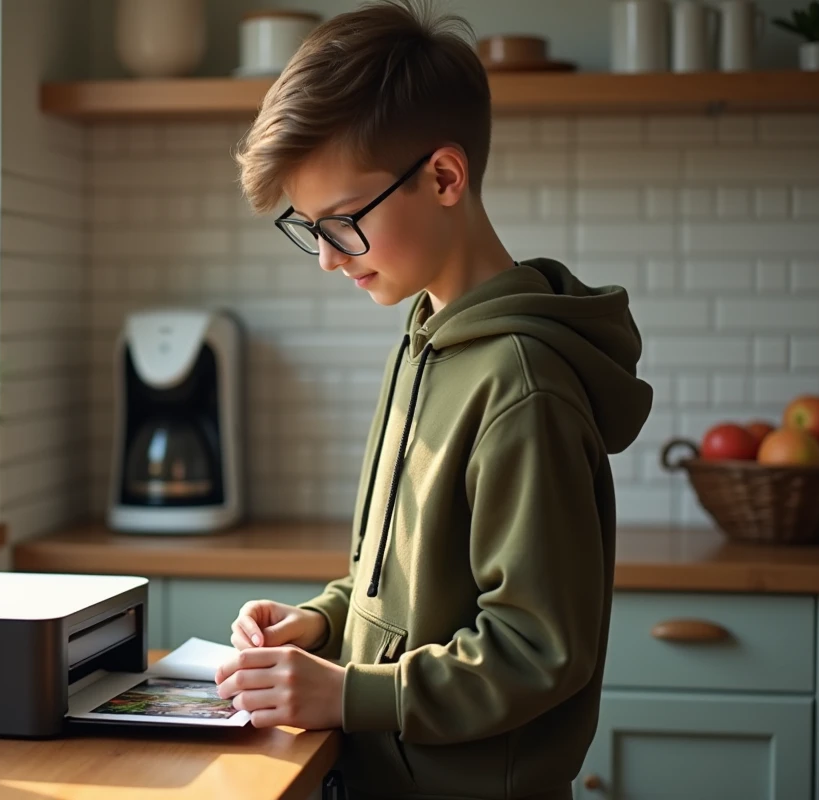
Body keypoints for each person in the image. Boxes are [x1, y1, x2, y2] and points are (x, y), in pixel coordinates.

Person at [212, 2, 654, 798]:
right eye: (307, 227)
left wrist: (348, 693)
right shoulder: (425, 338)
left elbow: (534, 647)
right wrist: (323, 619)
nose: (324, 258)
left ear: (444, 177)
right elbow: (400, 583)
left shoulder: (523, 386)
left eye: (342, 223)